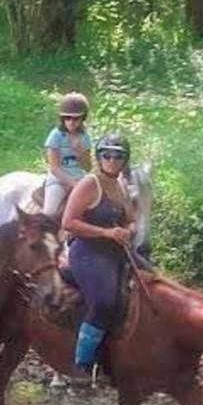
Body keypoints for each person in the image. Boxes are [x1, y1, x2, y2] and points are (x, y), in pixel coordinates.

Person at [60, 132, 137, 383]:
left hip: (115, 251)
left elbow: (131, 218)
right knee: (104, 301)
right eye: (107, 155)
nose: (112, 160)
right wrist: (106, 232)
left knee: (147, 286)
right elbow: (69, 222)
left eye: (118, 156)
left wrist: (130, 229)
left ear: (125, 160)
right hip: (88, 252)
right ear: (99, 157)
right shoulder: (89, 184)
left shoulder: (123, 185)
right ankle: (80, 365)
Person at [42, 92, 93, 219]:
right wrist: (73, 184)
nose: (71, 122)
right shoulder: (56, 135)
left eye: (76, 119)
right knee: (50, 213)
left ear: (83, 118)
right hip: (58, 181)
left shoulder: (84, 137)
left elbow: (88, 167)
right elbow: (54, 168)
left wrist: (80, 153)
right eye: (67, 118)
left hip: (80, 179)